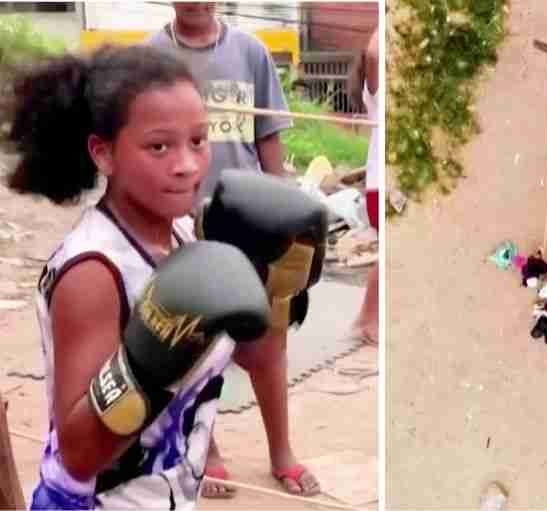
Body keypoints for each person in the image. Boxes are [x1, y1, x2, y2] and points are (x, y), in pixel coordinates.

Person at [6, 45, 275, 510]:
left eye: (198, 140)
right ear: (103, 153)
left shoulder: (187, 236)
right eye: (159, 146)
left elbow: (252, 356)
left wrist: (275, 286)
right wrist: (148, 363)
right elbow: (79, 455)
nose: (187, 165)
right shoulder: (93, 272)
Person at [147, 3, 321, 498]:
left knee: (269, 345)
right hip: (181, 222)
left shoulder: (251, 52)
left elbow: (268, 141)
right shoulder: (151, 58)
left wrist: (284, 212)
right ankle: (210, 451)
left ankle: (281, 452)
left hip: (249, 223)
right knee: (195, 343)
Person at [349, 28, 380, 345]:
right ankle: (367, 319)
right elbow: (373, 52)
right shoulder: (377, 96)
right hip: (381, 187)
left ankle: (367, 317)